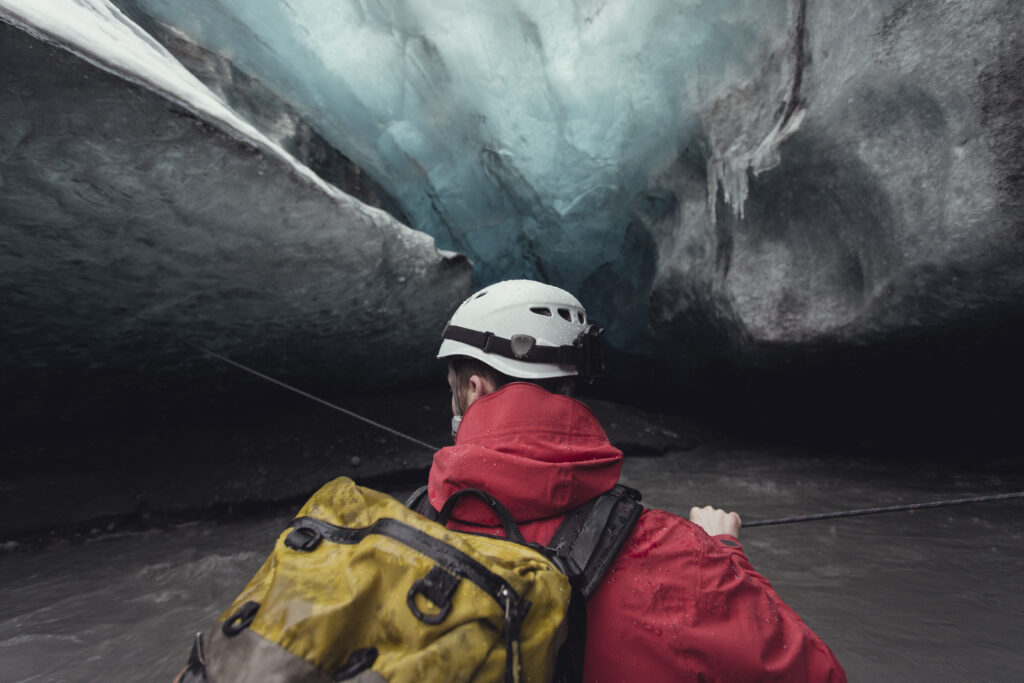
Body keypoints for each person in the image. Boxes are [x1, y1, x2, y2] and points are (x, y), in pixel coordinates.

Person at [427, 279, 846, 682]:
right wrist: (725, 554)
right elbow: (817, 674)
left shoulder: (401, 528)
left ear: (475, 390)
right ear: (570, 386)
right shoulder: (678, 556)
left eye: (453, 389)